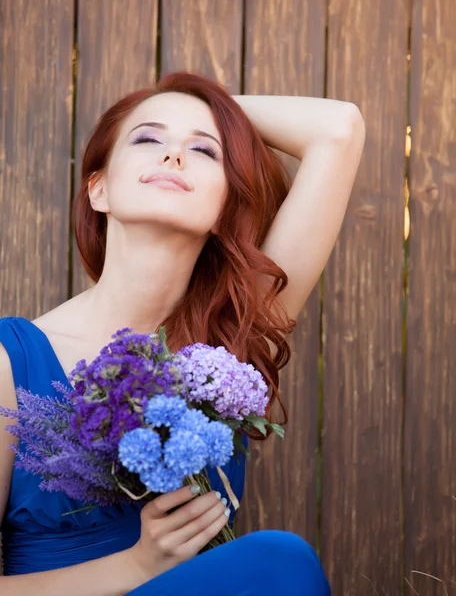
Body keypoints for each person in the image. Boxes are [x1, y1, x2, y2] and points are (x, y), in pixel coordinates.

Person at [0, 71, 365, 595]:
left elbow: (339, 128)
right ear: (98, 189)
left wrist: (210, 109)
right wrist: (140, 565)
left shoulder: (231, 337)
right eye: (147, 138)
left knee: (278, 562)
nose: (173, 156)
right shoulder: (11, 363)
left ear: (224, 209)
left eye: (204, 151)